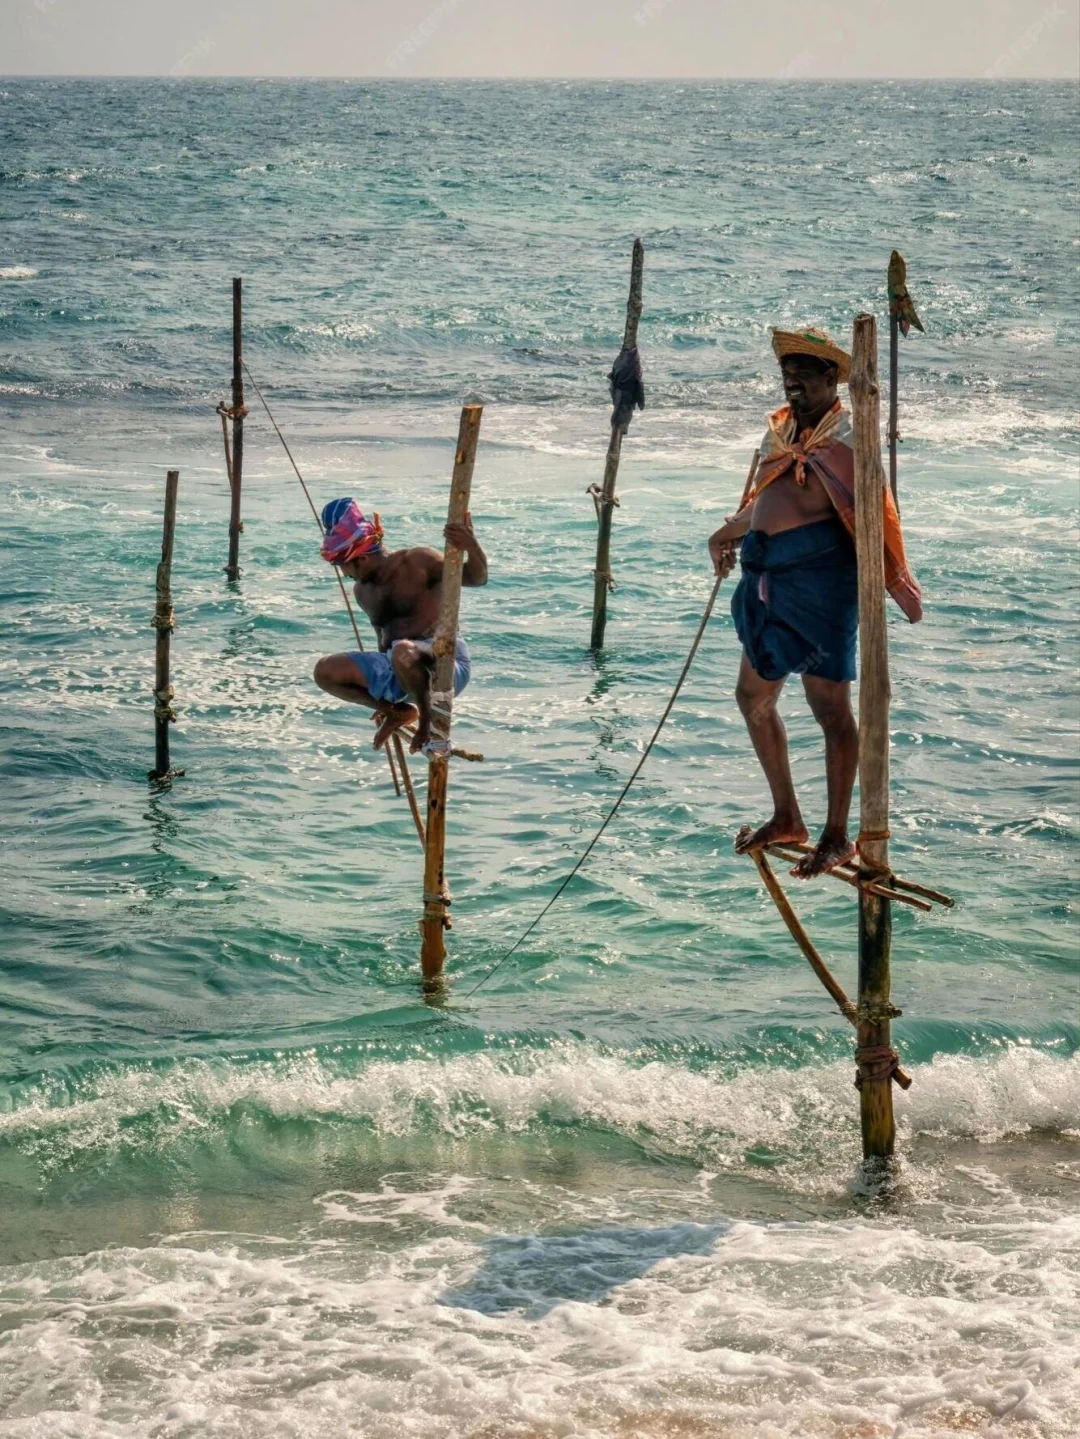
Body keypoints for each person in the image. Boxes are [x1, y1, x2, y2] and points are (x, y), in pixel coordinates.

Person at [708, 327, 922, 878]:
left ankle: (836, 835)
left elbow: (868, 512)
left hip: (821, 587)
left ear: (832, 378)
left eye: (804, 372)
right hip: (767, 585)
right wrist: (725, 532)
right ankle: (787, 816)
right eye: (788, 372)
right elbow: (764, 503)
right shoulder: (780, 433)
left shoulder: (849, 439)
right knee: (752, 698)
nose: (793, 380)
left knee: (829, 710)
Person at [313, 498, 488, 753]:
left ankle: (426, 722)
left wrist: (471, 545)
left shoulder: (418, 561)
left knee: (402, 651)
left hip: (444, 664)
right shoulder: (363, 591)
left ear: (361, 558)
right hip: (400, 668)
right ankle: (396, 712)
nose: (345, 574)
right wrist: (382, 698)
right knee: (325, 671)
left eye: (343, 566)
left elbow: (476, 578)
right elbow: (383, 641)